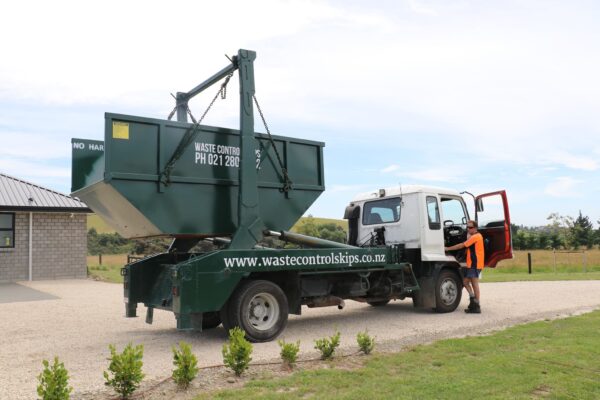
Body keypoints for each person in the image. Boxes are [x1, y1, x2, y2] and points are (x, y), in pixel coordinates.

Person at [444, 220, 484, 313]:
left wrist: (447, 248)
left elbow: (462, 245)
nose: (468, 229)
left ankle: (476, 305)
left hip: (475, 264)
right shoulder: (475, 236)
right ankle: (473, 301)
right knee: (466, 282)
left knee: (474, 284)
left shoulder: (476, 237)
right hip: (474, 264)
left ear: (475, 228)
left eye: (470, 227)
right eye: (467, 227)